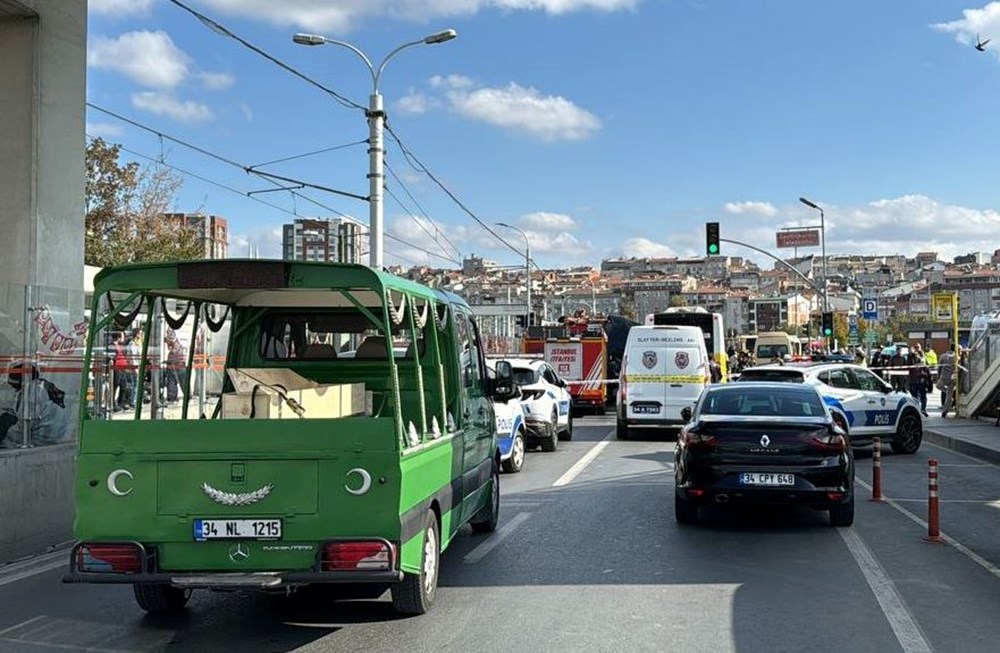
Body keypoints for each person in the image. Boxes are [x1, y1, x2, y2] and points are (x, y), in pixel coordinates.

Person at [0, 362, 67, 447]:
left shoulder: (33, 392)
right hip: (50, 434)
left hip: (40, 438)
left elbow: (25, 425)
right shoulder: (40, 386)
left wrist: (6, 434)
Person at [163, 327, 188, 403]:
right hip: (177, 364)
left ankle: (173, 397)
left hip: (178, 364)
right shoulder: (177, 342)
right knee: (174, 381)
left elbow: (173, 351)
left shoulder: (176, 344)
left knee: (176, 381)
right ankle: (173, 397)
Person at [907, 345, 930, 417]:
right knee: (914, 396)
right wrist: (911, 355)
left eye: (918, 347)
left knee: (923, 396)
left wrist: (928, 379)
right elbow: (908, 365)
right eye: (916, 348)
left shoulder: (923, 356)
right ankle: (916, 410)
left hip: (922, 379)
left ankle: (923, 409)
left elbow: (927, 367)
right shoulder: (911, 356)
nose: (917, 349)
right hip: (914, 380)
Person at [937, 345, 957, 418]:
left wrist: (938, 376)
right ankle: (945, 411)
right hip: (953, 377)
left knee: (938, 386)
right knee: (949, 395)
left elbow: (939, 367)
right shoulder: (956, 357)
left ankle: (945, 411)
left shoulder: (943, 356)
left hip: (944, 376)